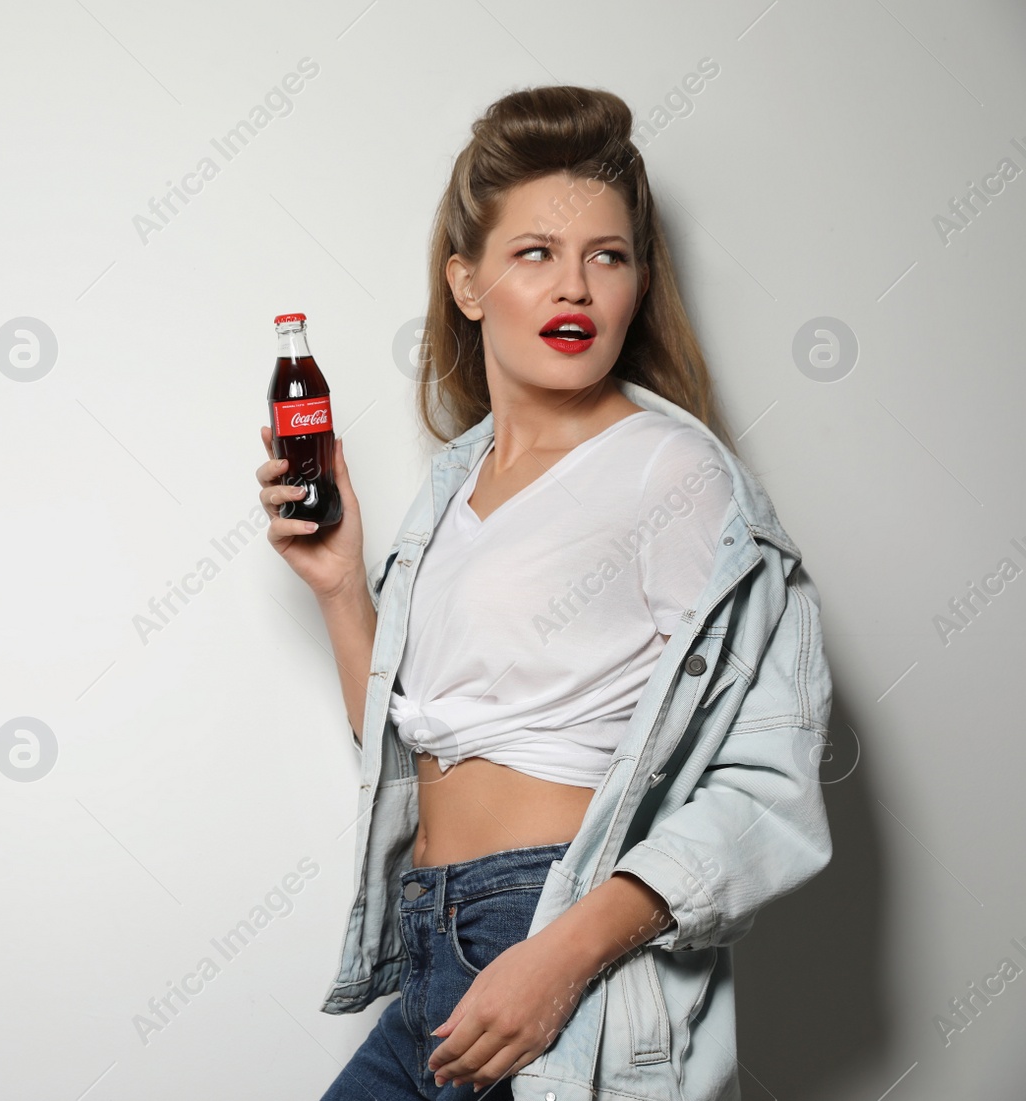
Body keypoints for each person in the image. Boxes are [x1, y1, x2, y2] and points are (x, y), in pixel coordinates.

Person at [256, 86, 832, 1099]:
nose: (575, 287)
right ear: (466, 281)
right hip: (435, 940)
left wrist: (560, 958)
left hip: (559, 937)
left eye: (605, 257)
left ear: (637, 284)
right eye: (536, 254)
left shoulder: (673, 475)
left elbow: (767, 787)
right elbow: (421, 749)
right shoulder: (451, 491)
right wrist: (343, 586)